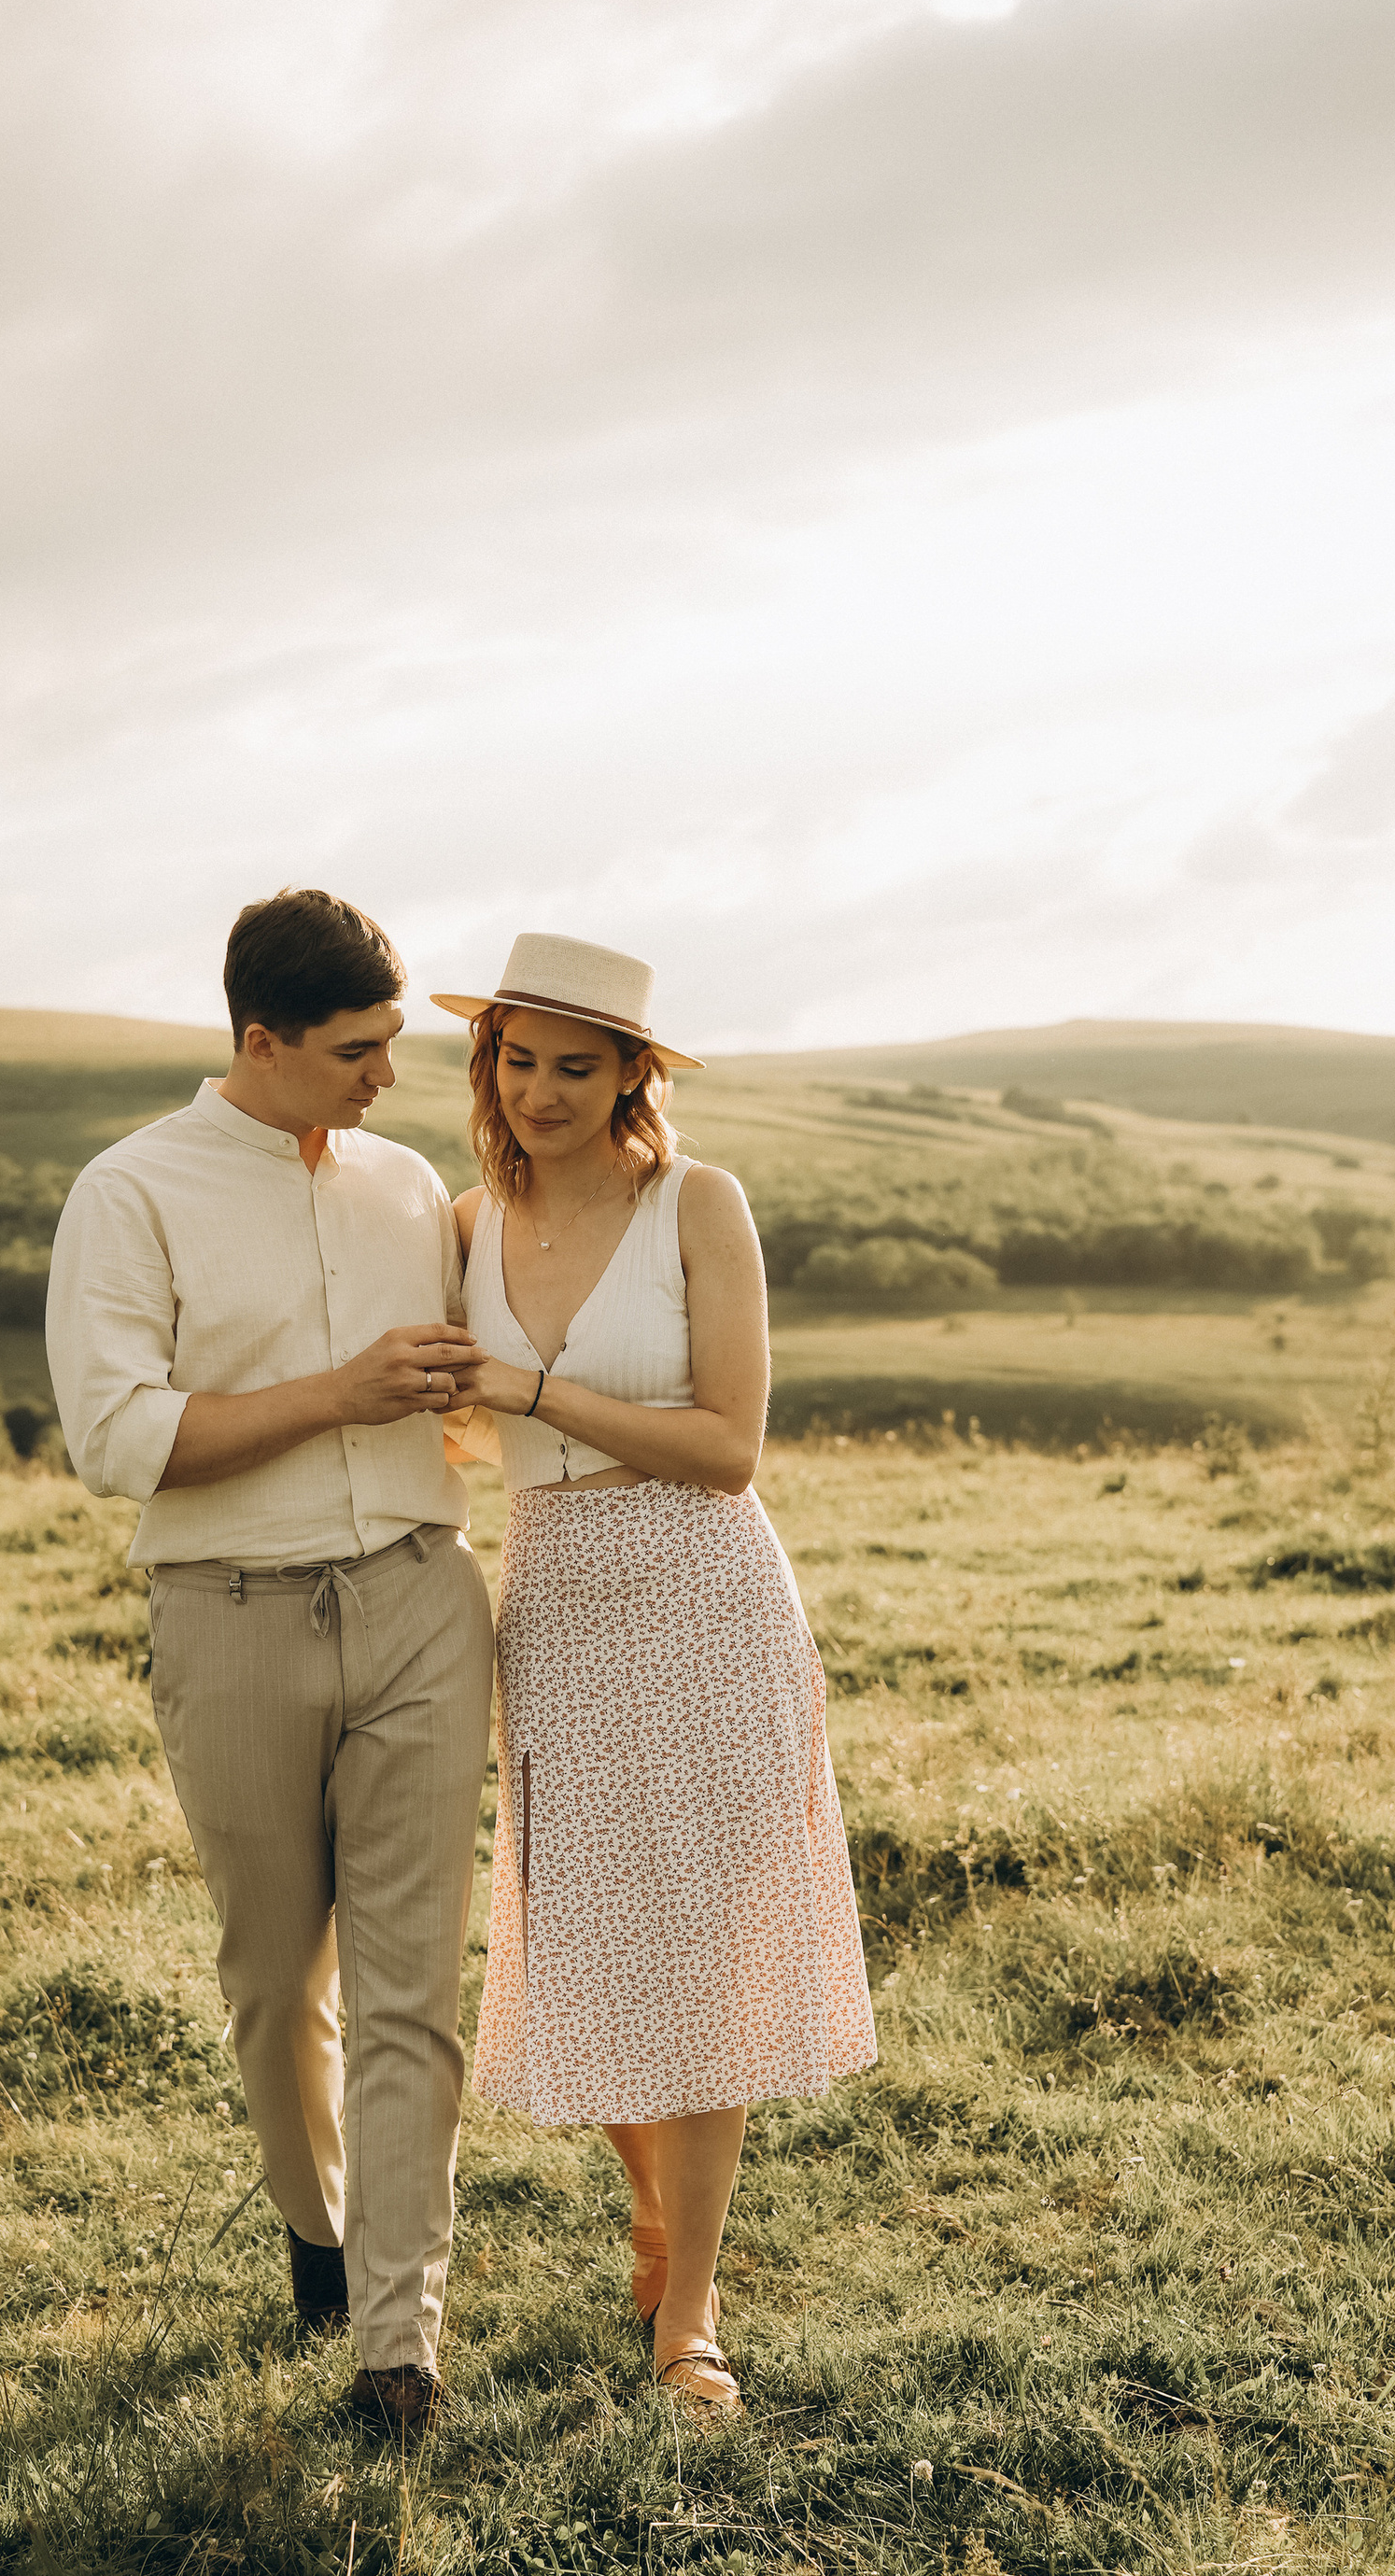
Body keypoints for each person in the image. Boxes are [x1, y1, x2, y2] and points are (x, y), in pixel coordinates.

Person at [46, 888, 491, 2442]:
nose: (389, 1076)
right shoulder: (131, 1193)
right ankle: (317, 2232)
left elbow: (461, 1379)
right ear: (263, 1041)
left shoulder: (404, 1180)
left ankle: (397, 2343)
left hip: (424, 1603)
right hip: (227, 1614)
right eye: (359, 1049)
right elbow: (120, 1438)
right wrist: (338, 1392)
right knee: (271, 1974)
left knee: (412, 1983)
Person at [436, 931, 878, 2419]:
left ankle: (688, 2315)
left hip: (704, 1588)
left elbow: (729, 1445)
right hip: (553, 1591)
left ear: (634, 1072)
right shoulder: (460, 1222)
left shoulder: (699, 1203)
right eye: (520, 1059)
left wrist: (536, 1391)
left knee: (705, 1950)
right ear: (488, 1061)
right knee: (585, 1942)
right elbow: (439, 1412)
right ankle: (657, 2202)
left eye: (579, 1064)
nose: (545, 1090)